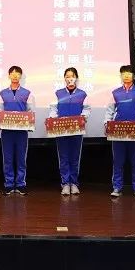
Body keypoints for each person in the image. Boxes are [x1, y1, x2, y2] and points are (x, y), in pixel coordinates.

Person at [104, 65, 135, 198]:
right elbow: (109, 111)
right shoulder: (115, 93)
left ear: (134, 76)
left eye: (129, 73)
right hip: (117, 133)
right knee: (118, 161)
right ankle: (117, 187)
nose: (126, 75)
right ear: (120, 76)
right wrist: (106, 124)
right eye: (123, 73)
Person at [49, 67, 91, 195]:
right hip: (61, 130)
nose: (70, 78)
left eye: (72, 76)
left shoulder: (82, 94)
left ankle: (74, 183)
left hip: (77, 130)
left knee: (75, 157)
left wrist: (83, 117)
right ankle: (65, 184)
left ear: (76, 78)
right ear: (64, 79)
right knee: (63, 157)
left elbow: (87, 109)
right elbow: (53, 109)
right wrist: (54, 119)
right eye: (67, 76)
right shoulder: (58, 93)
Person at [0, 66, 34, 196]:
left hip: (21, 131)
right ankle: (8, 184)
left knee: (21, 158)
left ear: (21, 76)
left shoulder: (27, 93)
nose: (14, 75)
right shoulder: (2, 93)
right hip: (7, 131)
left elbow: (30, 111)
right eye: (12, 73)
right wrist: (0, 122)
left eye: (17, 73)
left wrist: (28, 123)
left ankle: (20, 184)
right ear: (9, 75)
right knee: (7, 158)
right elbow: (0, 111)